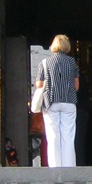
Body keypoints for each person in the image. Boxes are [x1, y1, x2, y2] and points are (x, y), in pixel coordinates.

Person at [36, 35, 81, 168]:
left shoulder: (45, 62)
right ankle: (69, 167)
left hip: (51, 102)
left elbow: (39, 85)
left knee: (53, 137)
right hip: (69, 102)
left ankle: (55, 168)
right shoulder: (72, 63)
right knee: (68, 137)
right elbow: (76, 87)